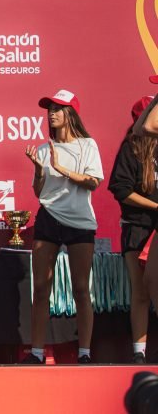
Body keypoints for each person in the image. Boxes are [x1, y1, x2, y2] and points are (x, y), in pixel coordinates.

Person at [22, 90, 103, 365]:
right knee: (40, 287)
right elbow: (39, 192)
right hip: (48, 217)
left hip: (80, 222)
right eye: (50, 109)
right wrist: (39, 170)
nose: (51, 113)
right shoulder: (44, 149)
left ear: (71, 114)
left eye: (58, 109)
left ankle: (84, 353)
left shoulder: (87, 145)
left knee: (81, 288)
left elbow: (93, 182)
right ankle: (36, 353)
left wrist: (61, 168)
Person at [109, 96, 158, 364]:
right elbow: (121, 190)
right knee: (140, 292)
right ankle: (139, 352)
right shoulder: (132, 148)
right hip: (138, 226)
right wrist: (155, 205)